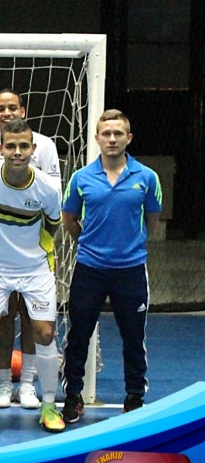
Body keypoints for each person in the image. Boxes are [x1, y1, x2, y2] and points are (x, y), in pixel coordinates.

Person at [0, 119, 65, 433]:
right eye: (11, 146)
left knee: (45, 333)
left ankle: (49, 405)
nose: (17, 152)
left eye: (23, 146)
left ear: (33, 150)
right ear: (1, 148)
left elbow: (53, 225)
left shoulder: (48, 187)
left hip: (35, 268)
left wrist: (33, 252)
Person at [61, 109, 162, 422]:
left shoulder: (147, 177)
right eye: (107, 134)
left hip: (131, 270)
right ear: (97, 139)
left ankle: (134, 397)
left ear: (128, 138)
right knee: (78, 334)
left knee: (133, 336)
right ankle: (73, 396)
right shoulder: (81, 178)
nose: (113, 139)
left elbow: (152, 221)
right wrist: (91, 244)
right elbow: (69, 220)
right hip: (89, 268)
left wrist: (130, 245)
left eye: (119, 133)